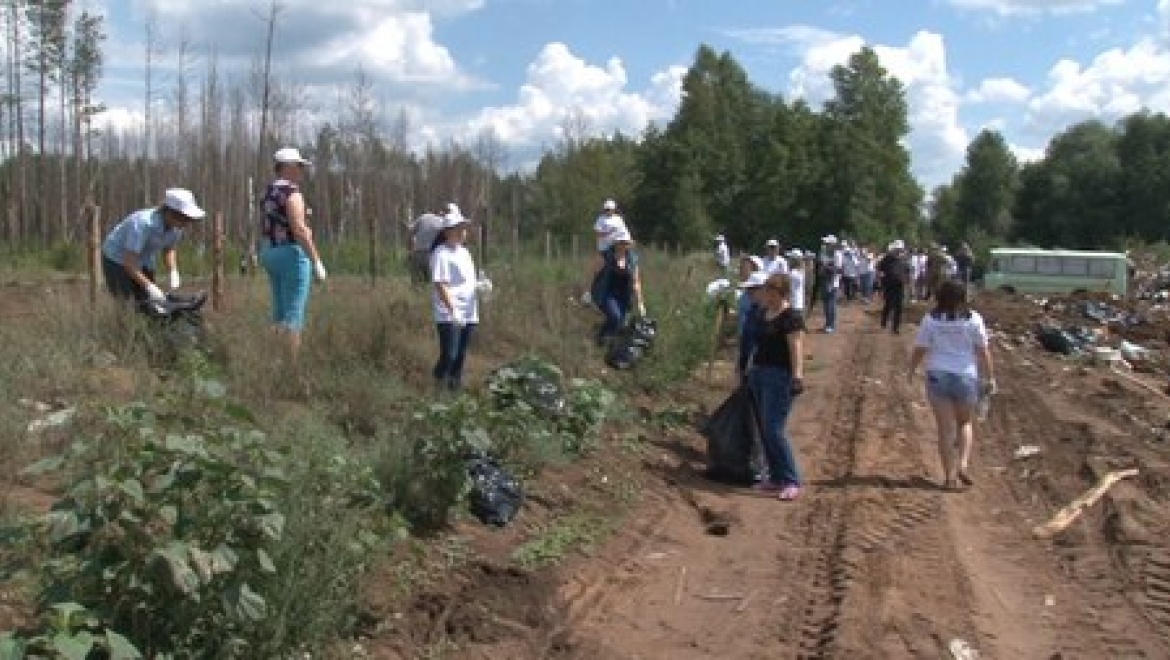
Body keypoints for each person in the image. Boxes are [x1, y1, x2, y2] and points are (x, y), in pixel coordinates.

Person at [908, 280, 996, 492]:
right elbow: (983, 351)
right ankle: (963, 464)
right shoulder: (973, 319)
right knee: (964, 423)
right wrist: (991, 377)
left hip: (938, 374)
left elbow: (921, 347)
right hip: (965, 375)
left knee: (944, 429)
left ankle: (949, 478)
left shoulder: (931, 319)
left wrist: (911, 369)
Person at [260, 147, 327, 360]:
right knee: (294, 314)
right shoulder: (292, 192)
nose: (301, 171)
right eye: (298, 166)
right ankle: (291, 366)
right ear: (287, 167)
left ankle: (273, 358)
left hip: (270, 251)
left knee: (279, 311)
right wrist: (316, 261)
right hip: (291, 254)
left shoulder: (267, 191)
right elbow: (298, 229)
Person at [744, 272, 806, 501]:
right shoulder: (763, 314)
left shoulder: (791, 317)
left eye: (773, 293)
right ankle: (776, 477)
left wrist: (798, 376)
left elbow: (796, 348)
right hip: (759, 373)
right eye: (767, 292)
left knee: (774, 428)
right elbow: (754, 344)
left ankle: (791, 479)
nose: (769, 297)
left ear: (784, 293)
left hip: (780, 376)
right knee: (764, 429)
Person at [102, 188, 206, 302]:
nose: (187, 223)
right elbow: (129, 264)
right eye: (184, 219)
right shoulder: (142, 223)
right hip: (117, 259)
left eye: (189, 219)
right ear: (170, 213)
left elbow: (169, 249)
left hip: (144, 259)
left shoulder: (177, 227)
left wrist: (173, 270)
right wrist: (150, 287)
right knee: (127, 302)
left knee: (150, 302)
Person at [430, 205, 479, 392]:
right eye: (460, 228)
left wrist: (480, 286)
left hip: (469, 310)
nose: (464, 232)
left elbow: (467, 280)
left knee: (460, 355)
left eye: (464, 228)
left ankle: (454, 389)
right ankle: (438, 384)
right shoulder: (441, 253)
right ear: (449, 231)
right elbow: (440, 284)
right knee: (449, 354)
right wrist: (453, 310)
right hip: (450, 313)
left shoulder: (464, 252)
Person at [592, 227, 646, 346]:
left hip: (624, 294)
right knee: (615, 317)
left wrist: (640, 303)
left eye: (626, 243)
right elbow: (595, 274)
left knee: (620, 322)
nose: (624, 245)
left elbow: (636, 281)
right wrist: (589, 292)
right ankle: (601, 338)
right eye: (622, 242)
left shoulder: (632, 259)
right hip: (607, 293)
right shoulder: (607, 256)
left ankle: (604, 342)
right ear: (616, 243)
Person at [735, 257, 766, 380]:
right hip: (745, 336)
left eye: (746, 267)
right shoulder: (746, 298)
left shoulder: (767, 312)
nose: (742, 270)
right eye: (741, 267)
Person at [877, 240, 911, 334]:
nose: (899, 250)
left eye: (900, 249)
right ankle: (884, 321)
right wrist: (880, 283)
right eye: (897, 249)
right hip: (888, 285)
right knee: (888, 304)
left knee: (899, 307)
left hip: (900, 285)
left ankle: (895, 328)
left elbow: (907, 271)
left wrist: (907, 281)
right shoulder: (887, 258)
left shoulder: (904, 259)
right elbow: (880, 269)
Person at [408, 209, 447, 284]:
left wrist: (410, 250)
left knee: (416, 284)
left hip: (418, 254)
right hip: (432, 255)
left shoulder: (423, 217)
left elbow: (410, 232)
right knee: (433, 284)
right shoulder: (443, 223)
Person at [818, 235, 843, 333]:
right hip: (824, 280)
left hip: (833, 282)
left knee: (831, 305)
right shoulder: (824, 253)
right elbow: (820, 266)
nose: (826, 244)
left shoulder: (837, 254)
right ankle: (827, 323)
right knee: (825, 304)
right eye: (826, 243)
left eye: (828, 243)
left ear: (832, 244)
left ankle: (831, 325)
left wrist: (826, 267)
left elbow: (838, 270)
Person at [786, 249, 806, 317]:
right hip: (798, 304)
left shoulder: (793, 273)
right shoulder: (800, 271)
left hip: (793, 304)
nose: (788, 260)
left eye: (790, 259)